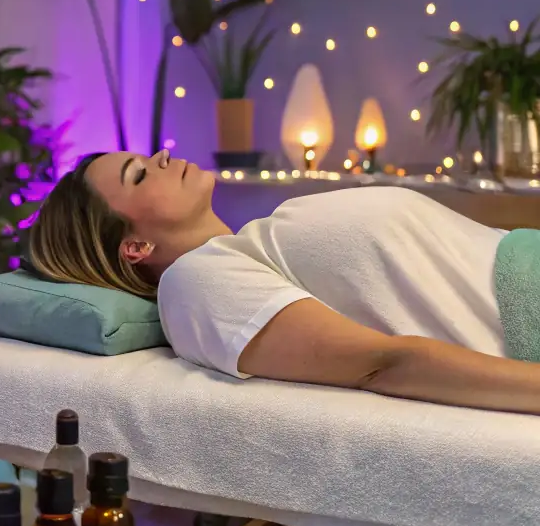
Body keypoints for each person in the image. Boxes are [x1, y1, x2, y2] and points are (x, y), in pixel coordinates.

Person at [29, 148, 540, 416]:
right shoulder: (195, 283)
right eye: (139, 175)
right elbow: (382, 364)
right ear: (133, 247)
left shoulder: (254, 244)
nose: (160, 158)